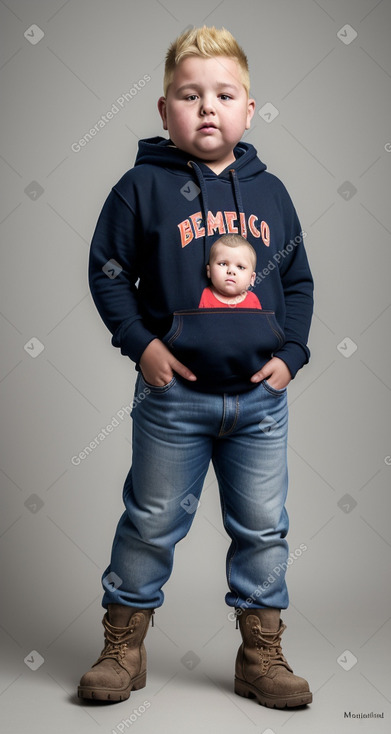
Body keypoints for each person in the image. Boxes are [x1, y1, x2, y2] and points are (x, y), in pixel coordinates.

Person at [78, 25, 314, 709]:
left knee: (264, 527)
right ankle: (123, 645)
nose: (206, 107)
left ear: (248, 109)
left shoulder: (270, 194)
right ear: (164, 110)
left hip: (258, 403)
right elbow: (108, 274)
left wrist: (291, 356)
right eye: (189, 95)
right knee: (151, 519)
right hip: (174, 400)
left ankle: (260, 653)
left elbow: (296, 283)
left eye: (223, 94)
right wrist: (141, 344)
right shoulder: (140, 188)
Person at [198, 233, 262, 308]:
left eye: (240, 267)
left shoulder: (252, 300)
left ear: (252, 278)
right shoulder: (203, 296)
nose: (231, 271)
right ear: (209, 271)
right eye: (223, 264)